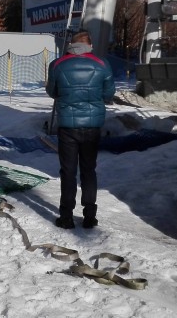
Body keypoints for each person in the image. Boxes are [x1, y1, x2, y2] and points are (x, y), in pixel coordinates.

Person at [45, 31, 116, 229]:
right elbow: (109, 92)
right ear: (89, 44)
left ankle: (66, 216)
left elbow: (53, 91)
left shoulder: (57, 64)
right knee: (89, 170)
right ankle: (90, 216)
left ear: (71, 44)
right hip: (92, 126)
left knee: (68, 171)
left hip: (67, 126)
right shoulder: (102, 64)